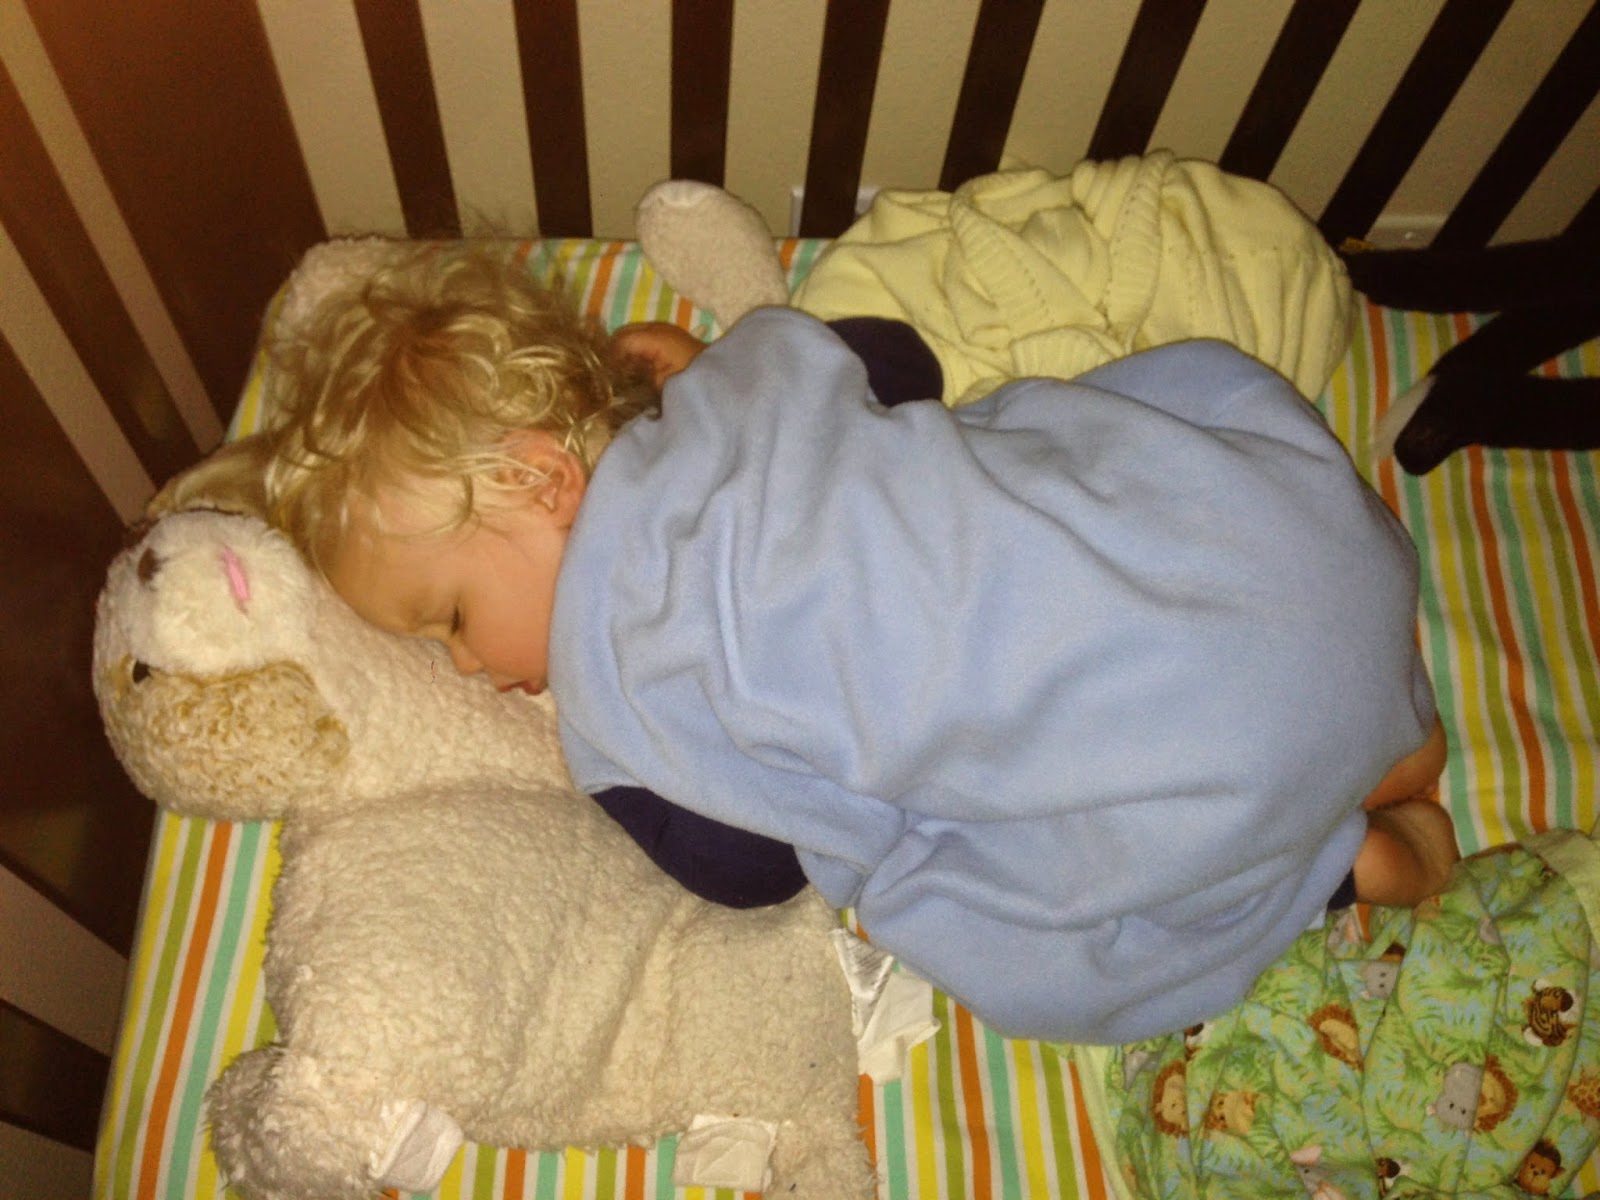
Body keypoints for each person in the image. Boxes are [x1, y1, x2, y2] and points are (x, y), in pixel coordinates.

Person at [243, 244, 1457, 1044]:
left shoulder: (618, 700)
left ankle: (1342, 860)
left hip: (1217, 766)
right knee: (1043, 459)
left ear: (538, 478)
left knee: (1006, 914)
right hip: (1284, 542)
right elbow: (895, 363)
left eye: (450, 618)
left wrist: (611, 770)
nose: (463, 666)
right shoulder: (739, 394)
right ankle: (1376, 715)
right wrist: (710, 371)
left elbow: (750, 869)